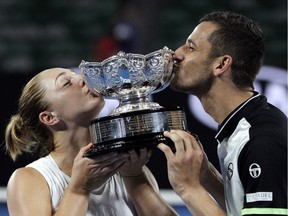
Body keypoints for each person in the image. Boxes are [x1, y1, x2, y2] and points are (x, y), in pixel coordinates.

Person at [157, 11, 287, 216]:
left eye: (191, 47)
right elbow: (241, 207)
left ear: (221, 64)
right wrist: (206, 176)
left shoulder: (262, 140)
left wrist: (189, 189)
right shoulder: (241, 125)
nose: (177, 54)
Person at [5, 67, 178, 216]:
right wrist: (79, 189)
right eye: (67, 83)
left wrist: (135, 177)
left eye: (77, 75)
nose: (82, 78)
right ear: (49, 117)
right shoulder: (29, 179)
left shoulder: (130, 167)